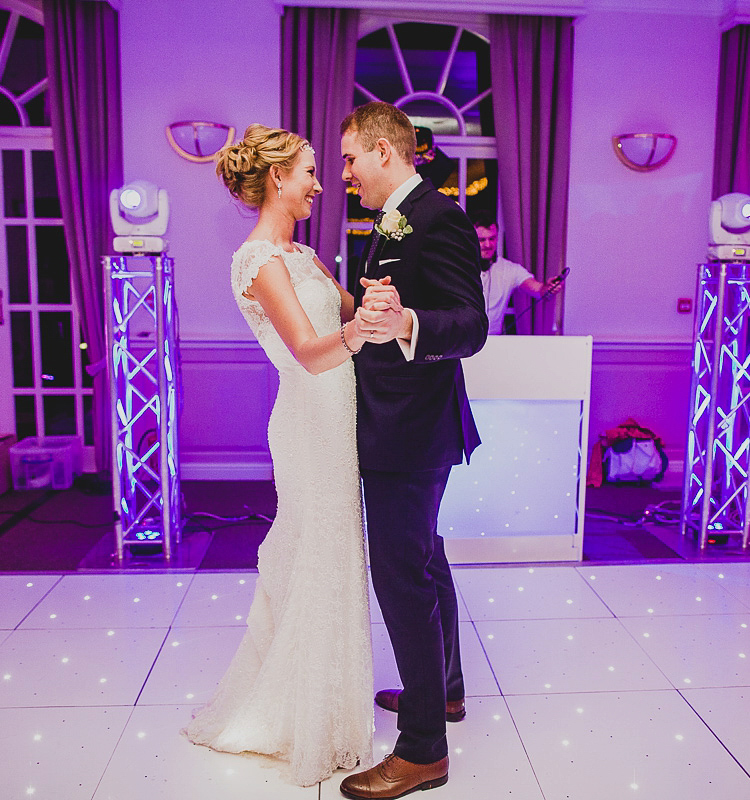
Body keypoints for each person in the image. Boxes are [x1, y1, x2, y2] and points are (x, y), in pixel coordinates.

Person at [182, 123, 392, 787]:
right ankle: (303, 717)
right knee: (317, 556)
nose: (319, 184)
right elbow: (307, 349)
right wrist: (358, 328)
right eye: (307, 172)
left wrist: (372, 302)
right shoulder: (259, 261)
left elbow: (345, 316)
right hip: (307, 420)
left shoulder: (302, 256)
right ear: (277, 177)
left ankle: (330, 704)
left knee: (335, 556)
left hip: (338, 413)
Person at [338, 102, 488, 799]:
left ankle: (424, 748)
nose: (344, 173)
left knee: (402, 576)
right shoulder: (395, 218)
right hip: (401, 423)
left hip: (411, 428)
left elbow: (471, 324)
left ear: (383, 152)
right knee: (424, 559)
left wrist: (405, 322)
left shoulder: (438, 216)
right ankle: (445, 692)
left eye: (349, 159)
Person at [471, 209, 564, 334]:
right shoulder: (459, 267)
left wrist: (548, 287)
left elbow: (538, 289)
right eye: (482, 240)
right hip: (461, 343)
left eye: (492, 238)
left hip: (494, 342)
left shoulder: (509, 269)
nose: (488, 245)